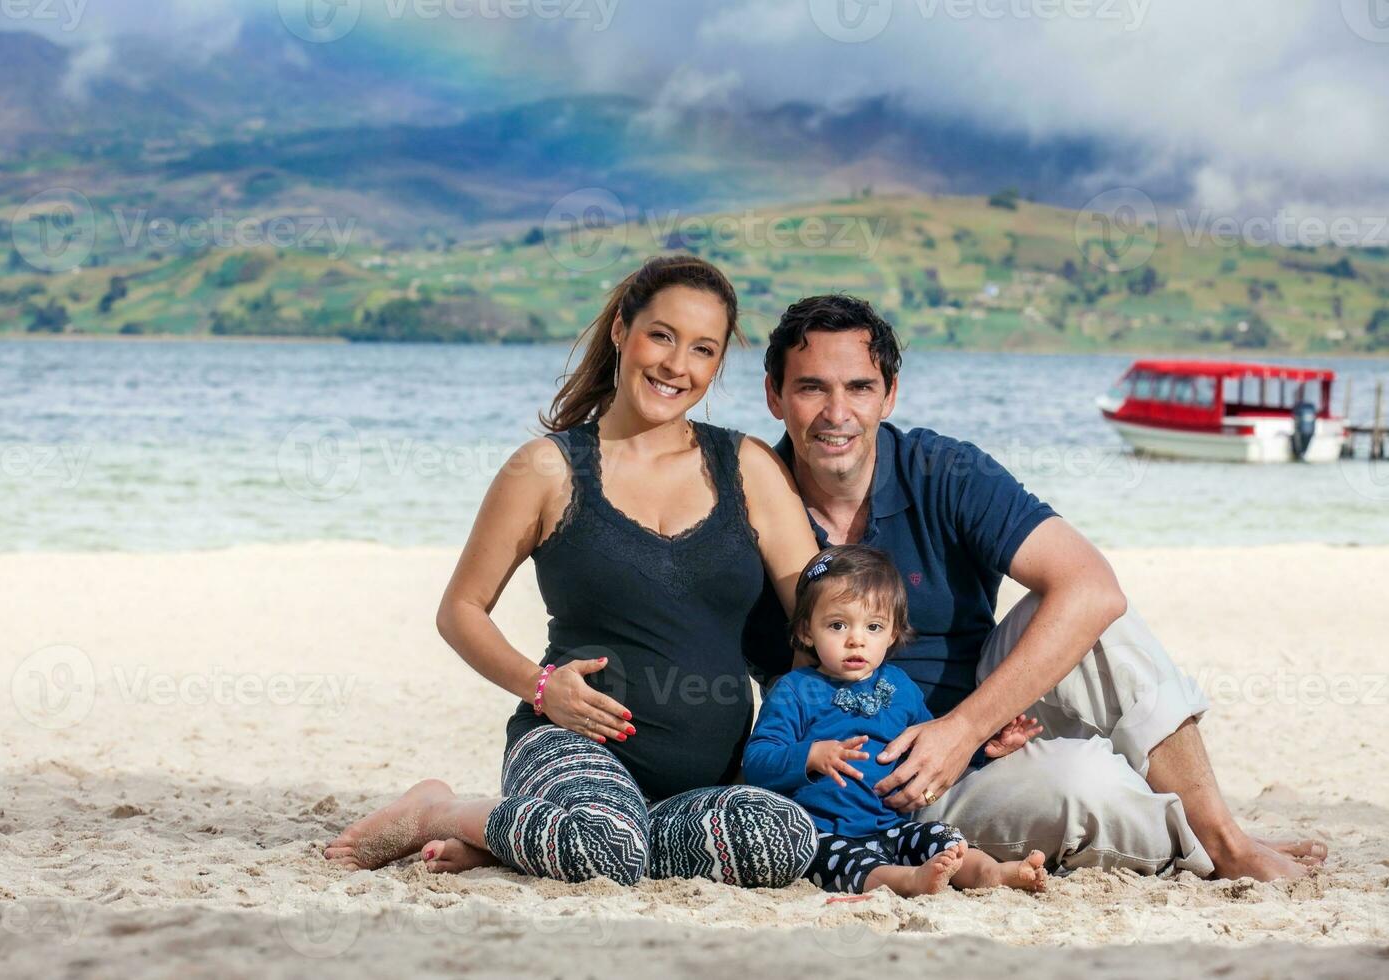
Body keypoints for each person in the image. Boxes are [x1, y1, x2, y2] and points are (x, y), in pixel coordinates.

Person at [741, 294, 1328, 881]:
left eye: (860, 388)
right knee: (1086, 786)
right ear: (774, 395)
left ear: (890, 393)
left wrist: (964, 728)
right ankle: (1202, 833)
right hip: (867, 803)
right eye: (812, 387)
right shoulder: (750, 499)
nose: (836, 412)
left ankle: (1224, 839)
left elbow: (1094, 589)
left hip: (975, 736)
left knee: (1094, 605)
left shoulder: (945, 470)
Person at [324, 255, 821, 886]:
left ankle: (531, 840)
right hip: (571, 748)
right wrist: (540, 687)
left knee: (785, 838)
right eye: (661, 335)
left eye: (702, 349)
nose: (677, 365)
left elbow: (821, 615)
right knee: (606, 848)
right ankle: (441, 811)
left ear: (717, 365)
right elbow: (460, 611)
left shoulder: (747, 466)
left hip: (703, 778)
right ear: (621, 330)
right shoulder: (546, 469)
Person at [745, 544, 1048, 896]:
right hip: (823, 832)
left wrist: (986, 748)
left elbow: (930, 752)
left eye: (873, 626)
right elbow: (757, 761)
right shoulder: (796, 690)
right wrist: (810, 756)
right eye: (838, 625)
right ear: (807, 632)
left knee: (942, 838)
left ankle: (990, 872)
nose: (856, 639)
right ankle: (909, 881)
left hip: (892, 827)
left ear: (892, 634)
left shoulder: (900, 688)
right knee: (841, 862)